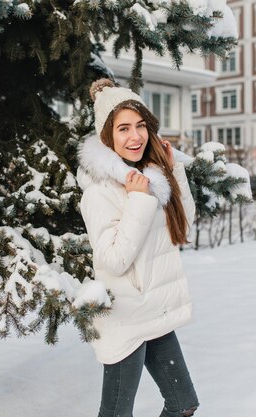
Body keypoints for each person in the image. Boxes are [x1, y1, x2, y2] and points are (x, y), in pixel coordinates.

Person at [76, 78, 199, 417]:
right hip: (126, 317)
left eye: (141, 126)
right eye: (124, 129)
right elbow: (113, 260)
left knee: (183, 404)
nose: (136, 137)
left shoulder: (152, 176)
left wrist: (174, 173)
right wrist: (138, 201)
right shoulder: (99, 192)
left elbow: (182, 226)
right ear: (107, 137)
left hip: (154, 311)